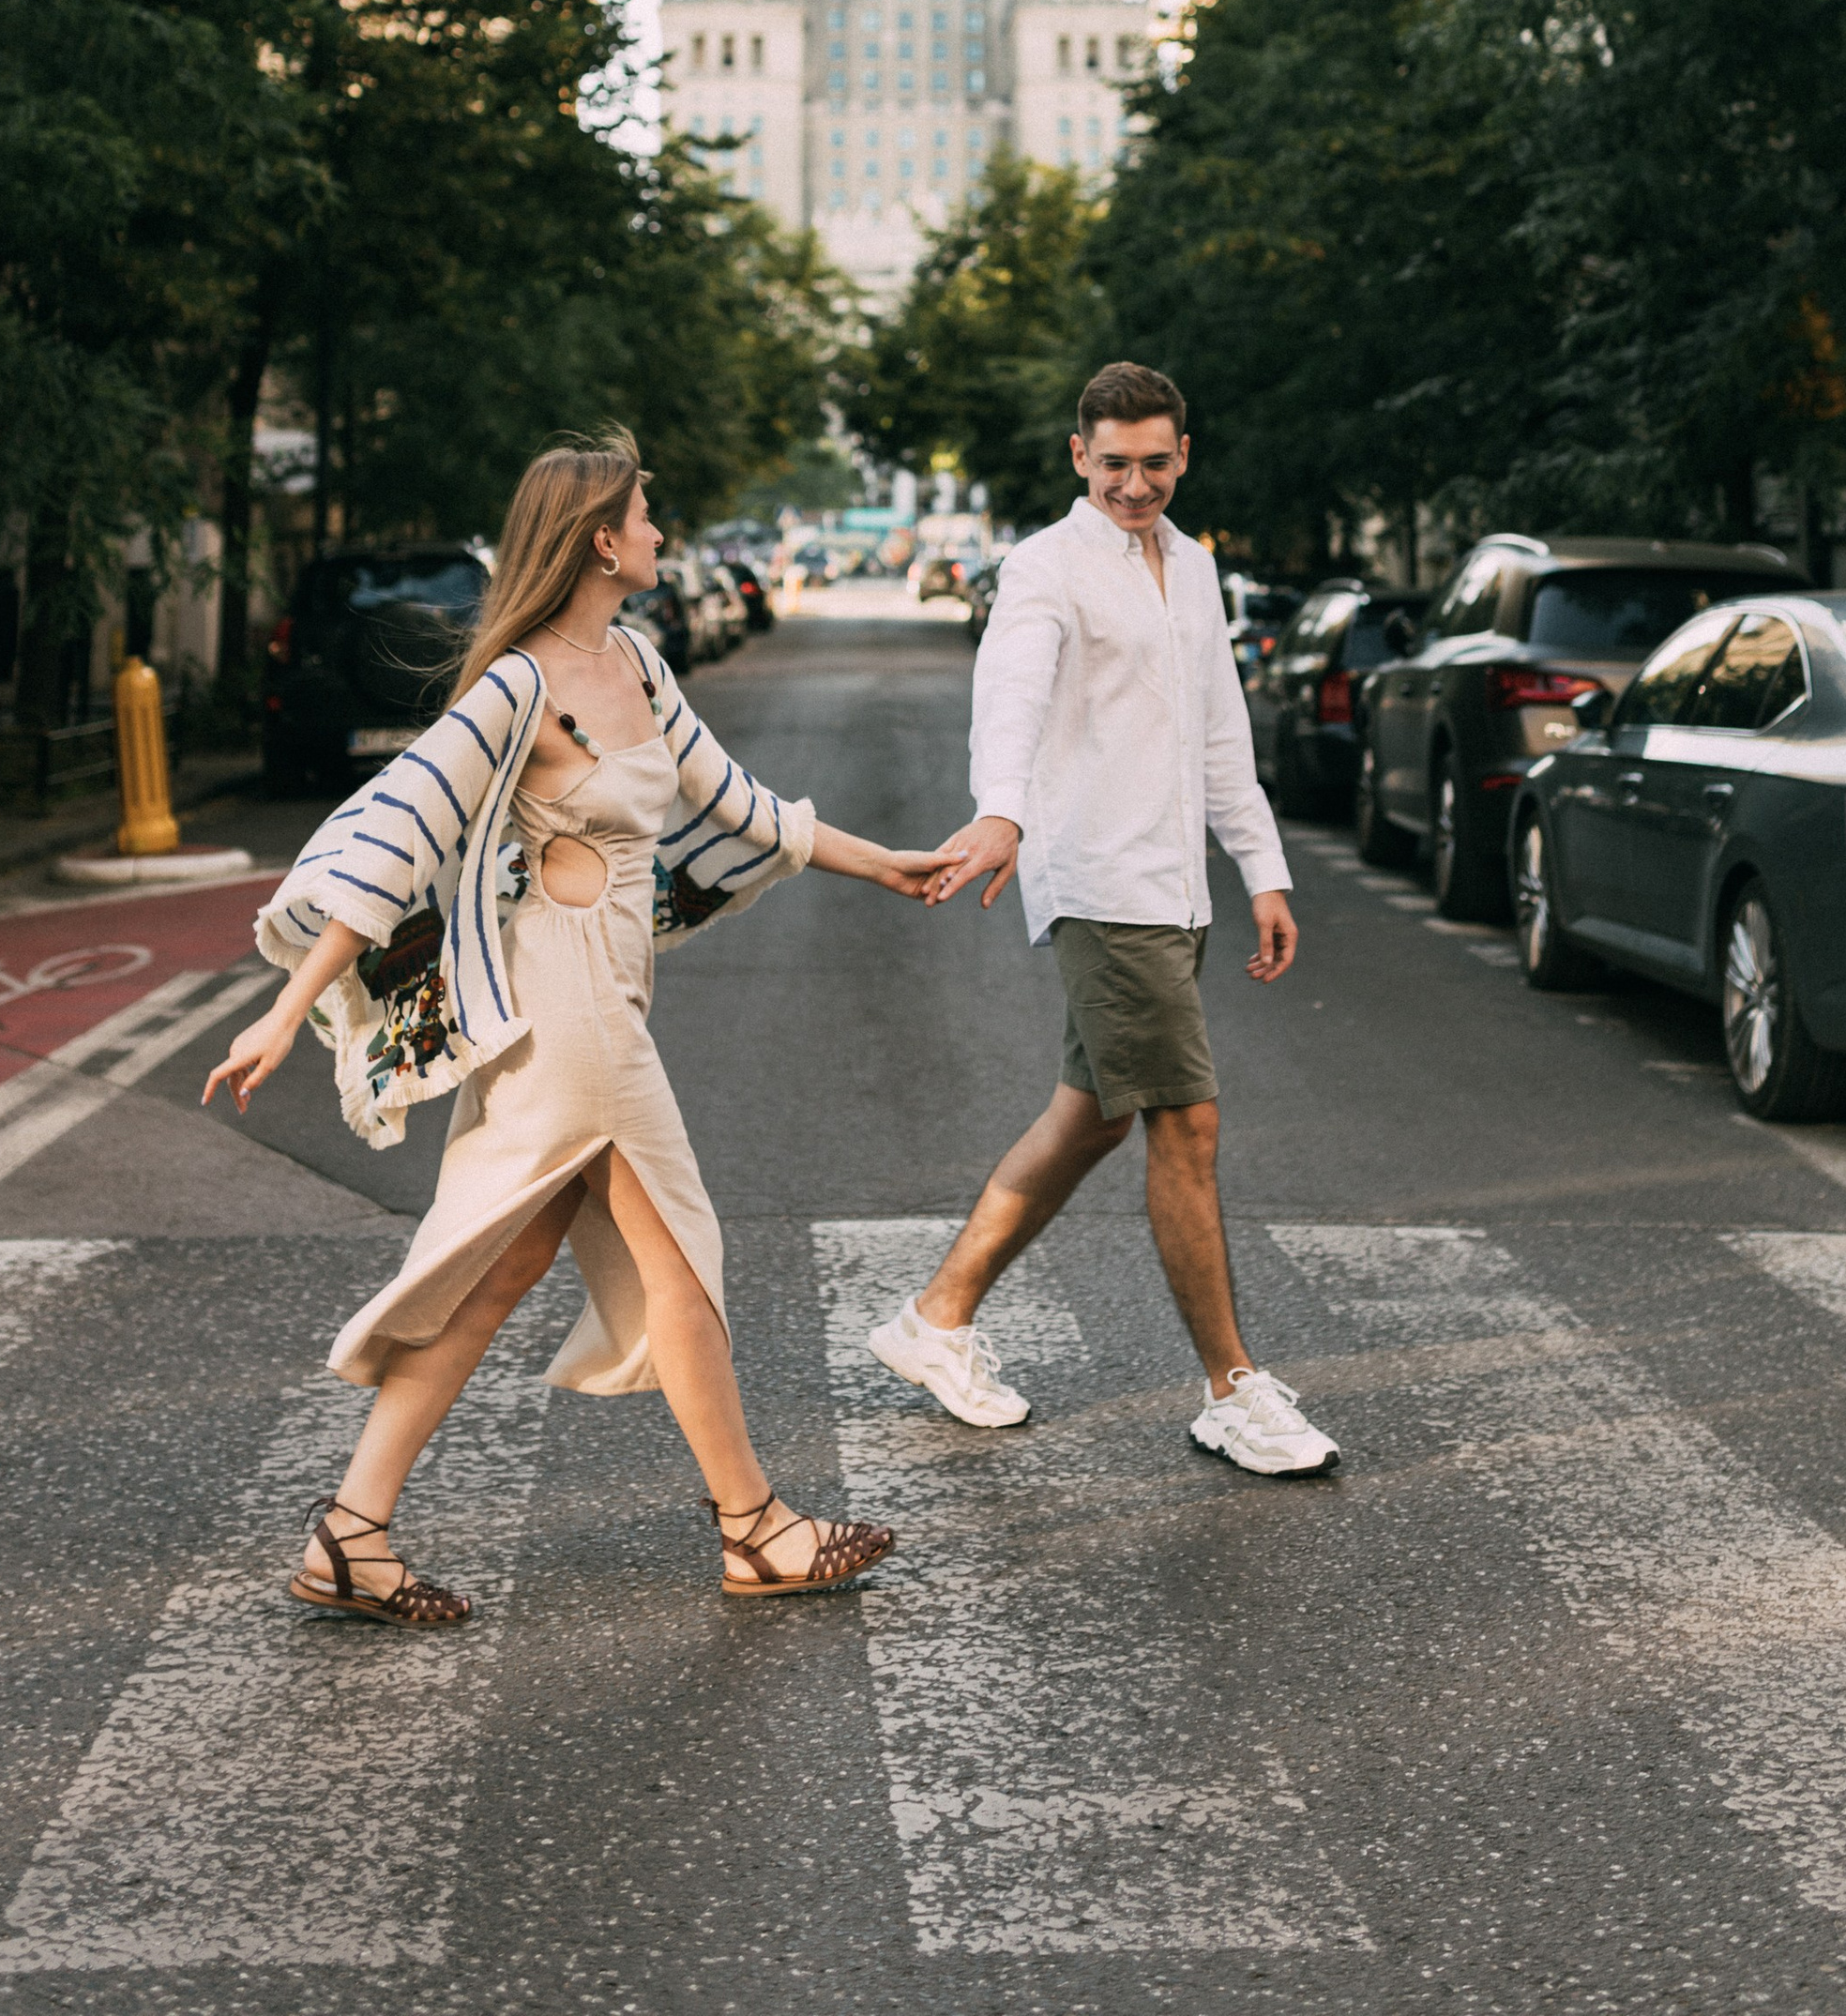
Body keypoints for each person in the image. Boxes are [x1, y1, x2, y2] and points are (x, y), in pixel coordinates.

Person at [204, 436, 943, 1620]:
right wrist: (285, 1009)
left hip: (602, 994)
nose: (661, 532)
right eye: (647, 515)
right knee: (679, 1258)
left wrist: (886, 864)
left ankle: (350, 1532)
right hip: (567, 1015)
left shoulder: (636, 663)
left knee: (498, 1270)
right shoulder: (517, 687)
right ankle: (755, 1528)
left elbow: (742, 807)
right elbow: (396, 836)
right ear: (601, 540)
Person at [870, 359, 1339, 1478]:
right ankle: (1230, 1389)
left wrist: (1262, 871)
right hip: (1102, 884)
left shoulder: (1194, 567)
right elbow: (1011, 699)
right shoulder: (1045, 567)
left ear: (1184, 456)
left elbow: (1220, 734)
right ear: (1080, 455)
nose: (1135, 485)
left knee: (1091, 1117)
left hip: (1175, 888)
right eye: (1115, 464)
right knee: (1186, 1123)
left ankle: (935, 1318)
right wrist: (1001, 811)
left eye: (1156, 463)